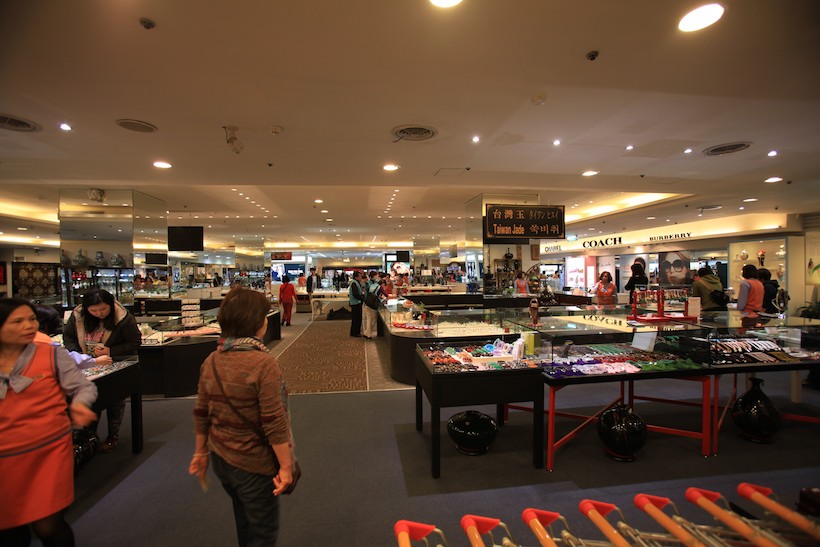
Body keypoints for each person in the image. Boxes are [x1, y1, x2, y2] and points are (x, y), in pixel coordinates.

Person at [189, 288, 297, 547]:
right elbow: (273, 420)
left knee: (245, 522)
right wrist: (286, 466)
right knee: (261, 533)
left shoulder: (212, 359)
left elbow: (202, 410)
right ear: (256, 322)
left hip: (222, 458)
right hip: (253, 463)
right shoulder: (262, 363)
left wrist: (200, 452)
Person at [0, 297, 98, 547]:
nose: (28, 326)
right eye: (17, 321)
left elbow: (83, 387)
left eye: (31, 319)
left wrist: (79, 405)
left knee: (48, 525)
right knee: (9, 527)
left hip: (48, 450)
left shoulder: (51, 354)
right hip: (5, 457)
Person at [62, 288, 140, 453]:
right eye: (94, 310)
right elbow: (68, 337)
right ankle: (87, 438)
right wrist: (80, 356)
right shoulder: (78, 317)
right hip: (88, 365)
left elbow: (134, 342)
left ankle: (113, 435)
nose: (99, 313)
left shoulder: (123, 318)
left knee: (115, 401)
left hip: (115, 365)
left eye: (103, 309)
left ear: (111, 305)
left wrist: (110, 351)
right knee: (90, 400)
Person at [361, 271, 379, 339]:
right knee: (371, 319)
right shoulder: (369, 283)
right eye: (376, 275)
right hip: (370, 303)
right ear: (373, 276)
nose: (377, 276)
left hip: (368, 303)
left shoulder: (370, 283)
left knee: (371, 319)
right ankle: (367, 333)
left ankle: (367, 333)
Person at [348, 271, 364, 337]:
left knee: (356, 318)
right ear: (356, 277)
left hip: (356, 302)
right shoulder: (354, 283)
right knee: (356, 318)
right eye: (360, 276)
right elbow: (355, 294)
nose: (361, 277)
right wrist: (362, 298)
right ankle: (355, 332)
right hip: (355, 303)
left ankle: (354, 332)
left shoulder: (356, 282)